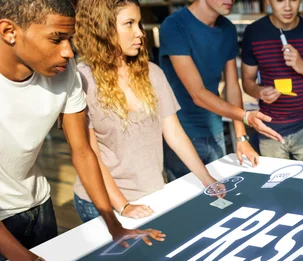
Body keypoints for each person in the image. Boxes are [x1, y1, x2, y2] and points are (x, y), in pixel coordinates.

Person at [0, 0, 163, 261]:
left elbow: (83, 151)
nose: (68, 52)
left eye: (69, 39)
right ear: (9, 31)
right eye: (56, 39)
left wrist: (115, 225)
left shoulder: (64, 71)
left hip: (39, 208)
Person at [71, 0, 219, 222]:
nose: (140, 33)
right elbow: (89, 154)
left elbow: (175, 134)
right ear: (103, 27)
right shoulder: (81, 82)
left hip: (152, 194)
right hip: (101, 202)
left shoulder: (153, 73)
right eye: (129, 24)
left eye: (139, 24)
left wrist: (207, 179)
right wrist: (123, 206)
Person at [159, 0, 284, 181]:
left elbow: (232, 86)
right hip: (181, 134)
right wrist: (246, 116)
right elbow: (198, 94)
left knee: (220, 199)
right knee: (191, 204)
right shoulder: (174, 26)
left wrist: (241, 138)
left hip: (215, 131)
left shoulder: (227, 29)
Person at [241, 0, 303, 162]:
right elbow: (247, 81)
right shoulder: (254, 32)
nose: (287, 6)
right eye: (280, 0)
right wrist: (259, 91)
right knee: (276, 184)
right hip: (269, 128)